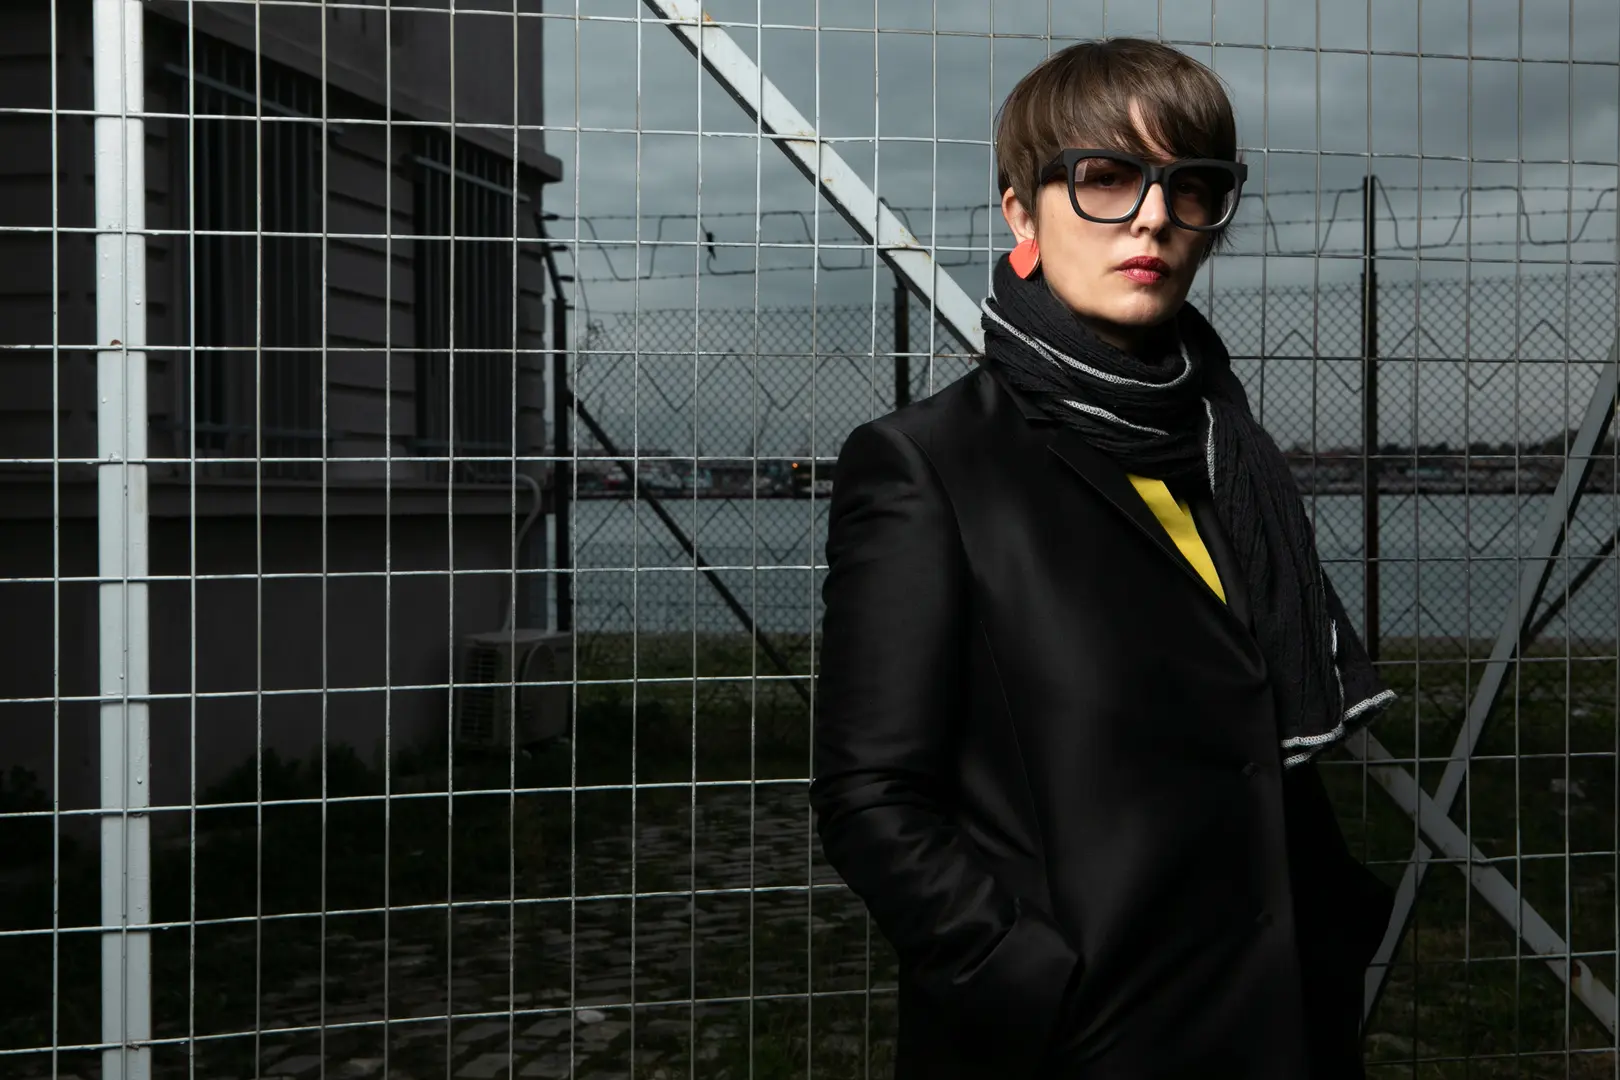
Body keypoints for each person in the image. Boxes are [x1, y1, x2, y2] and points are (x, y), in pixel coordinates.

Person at [810, 37, 1397, 1080]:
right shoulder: (927, 466)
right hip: (1085, 1041)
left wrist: (1330, 932)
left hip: (1282, 1023)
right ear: (1021, 214)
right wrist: (1031, 985)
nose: (1154, 217)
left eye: (1191, 185)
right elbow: (871, 797)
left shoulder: (1229, 456)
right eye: (1108, 177)